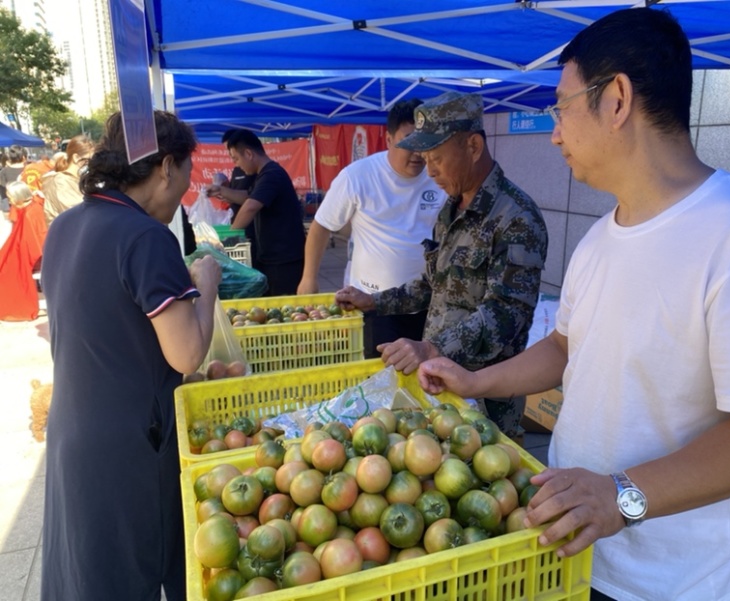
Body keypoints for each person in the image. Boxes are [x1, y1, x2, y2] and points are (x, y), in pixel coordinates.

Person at [417, 8, 730, 601]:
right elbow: (566, 347)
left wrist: (622, 495)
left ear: (616, 99)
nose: (554, 132)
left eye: (561, 107)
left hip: (678, 586)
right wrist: (475, 381)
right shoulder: (600, 238)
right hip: (575, 555)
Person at [39, 110, 222, 601]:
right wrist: (205, 287)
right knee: (130, 571)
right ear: (166, 166)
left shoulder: (65, 226)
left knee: (87, 571)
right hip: (130, 447)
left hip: (73, 433)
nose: (184, 192)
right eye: (185, 177)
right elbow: (186, 354)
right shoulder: (145, 238)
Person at [336, 91, 548, 437]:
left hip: (487, 401)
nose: (430, 170)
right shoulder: (450, 210)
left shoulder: (516, 218)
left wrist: (432, 347)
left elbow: (506, 314)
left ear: (473, 147)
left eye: (437, 157)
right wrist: (374, 301)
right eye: (425, 157)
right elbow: (431, 284)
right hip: (439, 386)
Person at [297, 99, 446, 356]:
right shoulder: (358, 176)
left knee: (423, 381)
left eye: (424, 141)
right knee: (377, 379)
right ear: (388, 139)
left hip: (426, 303)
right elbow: (322, 225)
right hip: (373, 304)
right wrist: (308, 278)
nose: (417, 152)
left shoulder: (439, 178)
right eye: (408, 140)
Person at [207, 129, 305, 295]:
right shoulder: (262, 175)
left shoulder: (272, 174)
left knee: (282, 308)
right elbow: (247, 197)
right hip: (270, 256)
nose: (236, 164)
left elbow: (250, 206)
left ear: (248, 153)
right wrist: (221, 191)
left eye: (236, 159)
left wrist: (227, 240)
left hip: (284, 260)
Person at [0, 181, 47, 320]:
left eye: (10, 196)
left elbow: (37, 240)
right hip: (22, 248)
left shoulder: (31, 213)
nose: (9, 199)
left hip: (34, 254)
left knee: (6, 270)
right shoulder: (28, 207)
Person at [42, 135, 94, 225]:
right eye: (88, 160)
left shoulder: (77, 178)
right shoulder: (60, 182)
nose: (90, 164)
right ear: (76, 158)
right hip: (66, 234)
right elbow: (77, 212)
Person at [0, 145, 26, 214]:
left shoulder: (3, 172)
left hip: (11, 209)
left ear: (10, 158)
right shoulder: (30, 170)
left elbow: (3, 192)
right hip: (29, 208)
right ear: (23, 157)